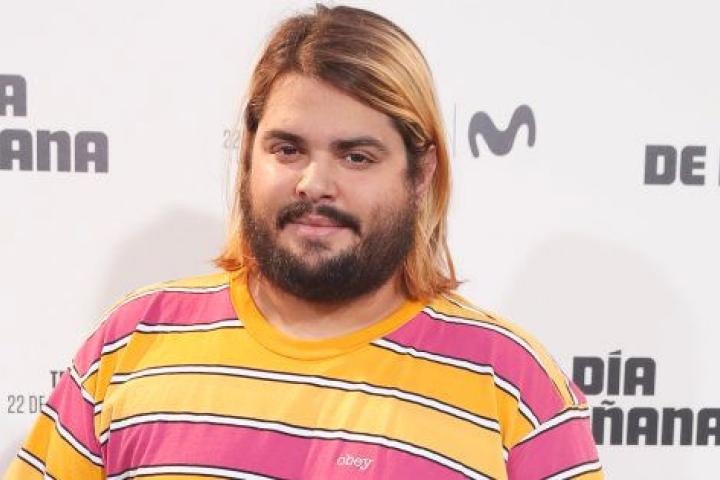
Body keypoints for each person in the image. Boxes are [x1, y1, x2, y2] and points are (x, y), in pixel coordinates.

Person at [4, 4, 602, 479]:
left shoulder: (515, 390)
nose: (315, 183)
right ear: (249, 156)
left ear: (421, 173)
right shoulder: (131, 342)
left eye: (356, 156)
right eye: (287, 149)